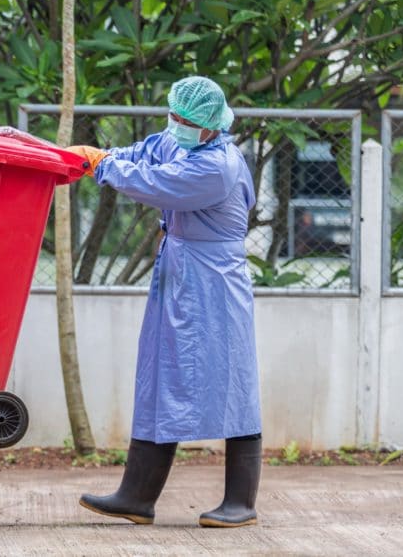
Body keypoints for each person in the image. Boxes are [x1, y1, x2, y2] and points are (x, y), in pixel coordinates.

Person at [68, 76, 262, 529]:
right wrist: (103, 158)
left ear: (210, 125)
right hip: (179, 276)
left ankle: (241, 502)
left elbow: (155, 184)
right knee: (160, 380)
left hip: (215, 284)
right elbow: (143, 155)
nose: (174, 124)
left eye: (184, 119)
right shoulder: (181, 143)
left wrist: (102, 166)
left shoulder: (216, 166)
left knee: (231, 383)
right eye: (173, 114)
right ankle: (136, 496)